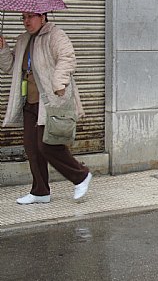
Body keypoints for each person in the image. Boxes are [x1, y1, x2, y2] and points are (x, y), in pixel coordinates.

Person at [0, 12, 91, 205]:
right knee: (32, 148)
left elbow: (67, 58)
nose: (26, 21)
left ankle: (81, 175)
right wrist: (3, 50)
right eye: (23, 17)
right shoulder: (23, 40)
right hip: (29, 102)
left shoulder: (55, 35)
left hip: (50, 101)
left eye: (30, 16)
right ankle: (40, 191)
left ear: (43, 17)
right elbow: (11, 67)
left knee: (48, 145)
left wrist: (59, 81)